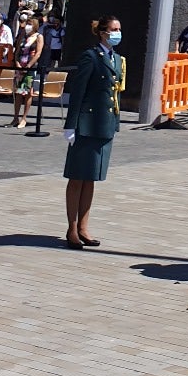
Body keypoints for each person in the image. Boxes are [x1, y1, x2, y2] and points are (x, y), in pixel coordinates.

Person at [62, 14, 125, 249]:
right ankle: (72, 228)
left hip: (104, 125)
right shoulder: (91, 57)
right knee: (77, 178)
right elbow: (78, 92)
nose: (118, 33)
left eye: (119, 29)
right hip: (86, 125)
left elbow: (114, 94)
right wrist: (71, 124)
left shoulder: (117, 59)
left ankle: (84, 227)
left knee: (92, 178)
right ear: (102, 33)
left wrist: (115, 122)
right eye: (114, 30)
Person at [12, 14, 44, 128]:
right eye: (27, 24)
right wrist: (17, 62)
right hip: (19, 66)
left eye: (30, 24)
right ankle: (15, 117)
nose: (28, 26)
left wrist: (29, 65)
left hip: (30, 67)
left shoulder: (38, 36)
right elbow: (17, 50)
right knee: (18, 92)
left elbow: (38, 53)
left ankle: (24, 118)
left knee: (27, 92)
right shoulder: (22, 35)